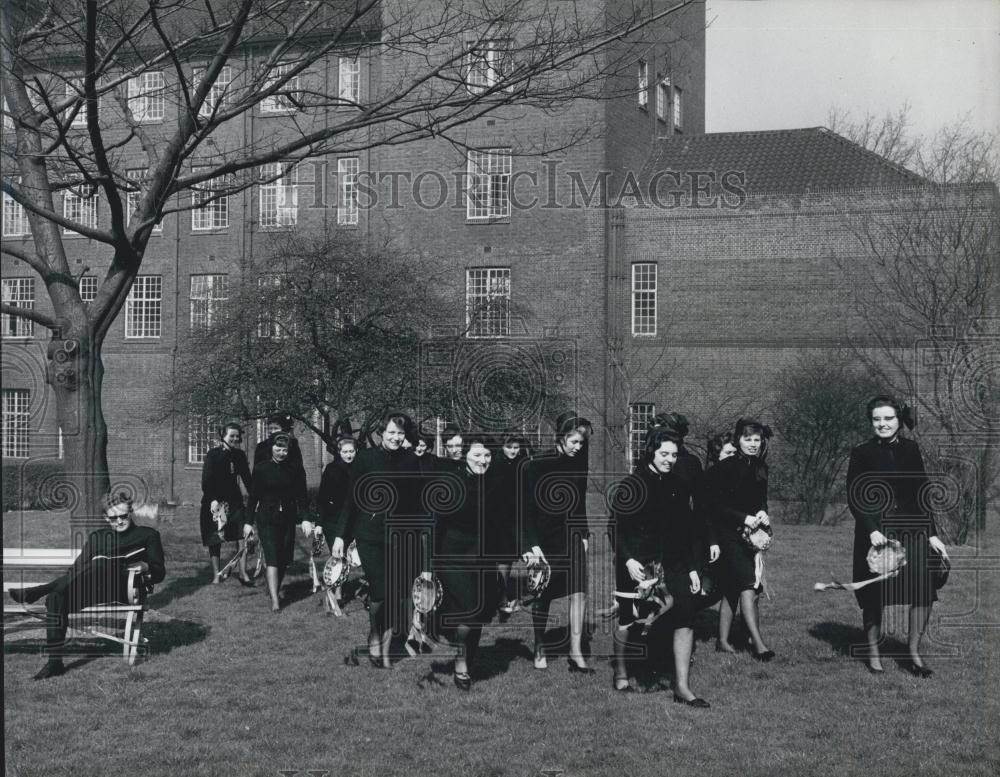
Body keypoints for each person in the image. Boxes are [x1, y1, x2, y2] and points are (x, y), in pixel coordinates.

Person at [9, 492, 166, 680]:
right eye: (113, 518)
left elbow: (159, 572)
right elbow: (76, 569)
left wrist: (146, 565)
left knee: (101, 563)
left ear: (130, 512)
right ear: (106, 518)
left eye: (123, 516)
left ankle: (38, 590)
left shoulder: (148, 535)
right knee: (56, 598)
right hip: (94, 589)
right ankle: (54, 663)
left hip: (126, 589)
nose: (119, 521)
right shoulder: (98, 537)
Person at [846, 395, 948, 677]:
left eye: (888, 418)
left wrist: (932, 534)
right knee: (874, 593)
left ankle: (913, 653)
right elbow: (855, 496)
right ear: (871, 422)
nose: (882, 424)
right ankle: (875, 655)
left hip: (912, 530)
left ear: (899, 420)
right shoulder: (861, 452)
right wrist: (872, 530)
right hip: (876, 532)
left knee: (923, 591)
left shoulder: (911, 449)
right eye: (877, 419)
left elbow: (921, 493)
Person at [612, 430, 708, 705]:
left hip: (673, 561)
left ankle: (682, 687)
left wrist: (691, 569)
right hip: (636, 561)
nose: (669, 459)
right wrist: (628, 560)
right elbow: (616, 528)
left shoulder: (679, 484)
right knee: (628, 620)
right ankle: (620, 673)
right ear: (651, 453)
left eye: (674, 455)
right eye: (664, 453)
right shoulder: (633, 484)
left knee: (686, 613)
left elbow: (685, 531)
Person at [333, 412, 423, 668]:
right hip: (369, 535)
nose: (396, 438)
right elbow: (351, 500)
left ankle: (383, 651)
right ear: (380, 434)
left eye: (400, 433)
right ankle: (374, 632)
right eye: (391, 432)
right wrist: (341, 535)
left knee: (395, 594)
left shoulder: (409, 461)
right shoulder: (366, 459)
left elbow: (416, 502)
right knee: (381, 593)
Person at [428, 434, 502, 690]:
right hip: (453, 557)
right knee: (468, 610)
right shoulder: (451, 482)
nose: (483, 460)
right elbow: (435, 524)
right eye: (478, 455)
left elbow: (505, 522)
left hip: (484, 558)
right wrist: (429, 566)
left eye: (487, 455)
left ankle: (469, 660)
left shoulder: (493, 483)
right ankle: (460, 662)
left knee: (479, 613)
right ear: (465, 455)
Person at [523, 413, 593, 672]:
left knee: (579, 592)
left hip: (572, 535)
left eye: (581, 443)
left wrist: (584, 534)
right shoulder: (537, 463)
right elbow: (525, 508)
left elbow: (579, 502)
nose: (578, 447)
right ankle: (540, 645)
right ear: (561, 438)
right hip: (544, 539)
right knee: (543, 594)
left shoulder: (579, 463)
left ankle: (575, 652)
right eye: (573, 441)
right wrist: (531, 544)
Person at [705, 417, 775, 660]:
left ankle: (723, 641)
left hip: (751, 535)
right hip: (727, 534)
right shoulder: (724, 468)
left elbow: (761, 498)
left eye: (757, 440)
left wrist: (763, 511)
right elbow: (715, 506)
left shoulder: (761, 467)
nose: (753, 444)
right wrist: (744, 517)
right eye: (748, 439)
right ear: (738, 439)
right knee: (748, 584)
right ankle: (758, 644)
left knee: (731, 590)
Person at [247, 434, 308, 611]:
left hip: (287, 518)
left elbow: (302, 497)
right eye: (277, 449)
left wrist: (305, 518)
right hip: (266, 518)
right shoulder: (261, 469)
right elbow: (253, 498)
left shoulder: (295, 469)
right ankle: (275, 601)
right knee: (272, 557)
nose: (281, 453)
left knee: (283, 560)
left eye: (284, 450)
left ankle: (275, 587)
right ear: (271, 448)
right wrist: (248, 522)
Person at [199, 423, 253, 585]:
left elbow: (247, 479)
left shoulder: (240, 455)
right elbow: (206, 481)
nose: (235, 439)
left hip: (234, 500)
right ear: (223, 436)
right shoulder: (213, 455)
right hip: (215, 500)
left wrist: (255, 497)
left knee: (241, 535)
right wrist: (213, 499)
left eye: (237, 436)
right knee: (215, 538)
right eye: (232, 436)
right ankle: (217, 574)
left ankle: (243, 573)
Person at [491, 434, 530, 617]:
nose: (513, 451)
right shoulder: (495, 463)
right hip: (499, 516)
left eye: (516, 447)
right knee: (502, 557)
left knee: (510, 557)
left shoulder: (523, 462)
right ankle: (501, 596)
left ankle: (509, 594)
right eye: (509, 447)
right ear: (502, 447)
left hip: (518, 514)